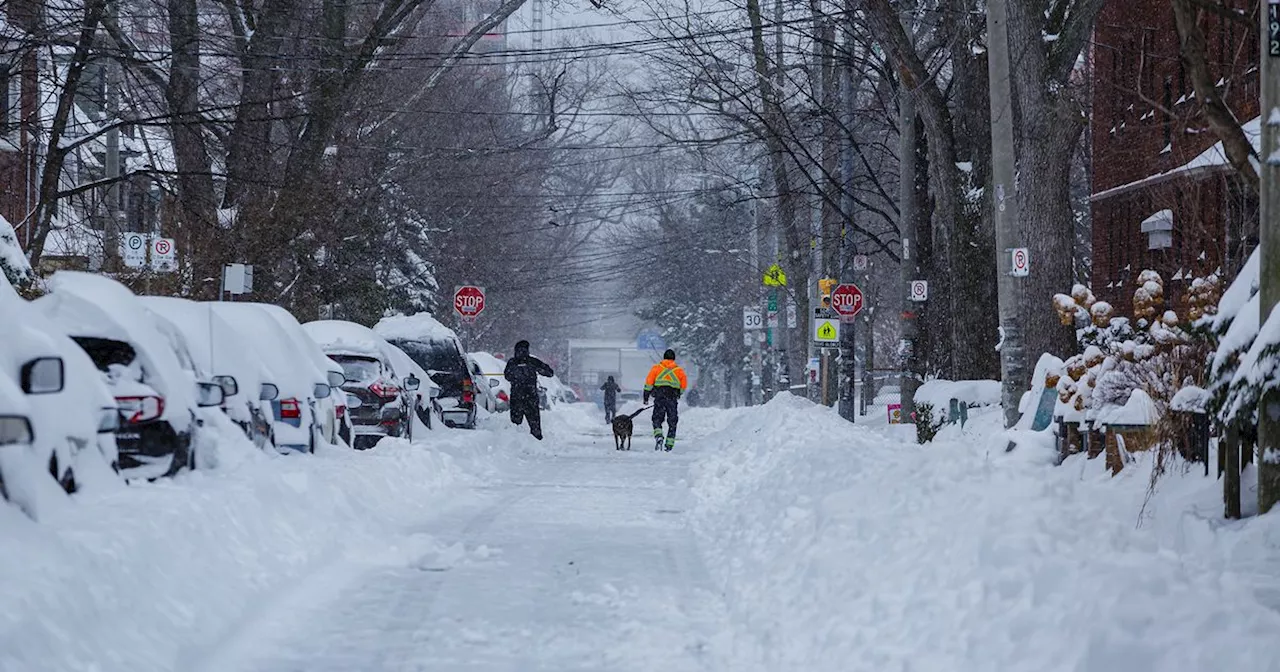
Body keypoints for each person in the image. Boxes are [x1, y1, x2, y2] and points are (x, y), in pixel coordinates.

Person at [504, 340, 554, 440]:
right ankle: (537, 441)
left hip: (516, 397)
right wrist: (537, 370)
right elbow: (550, 373)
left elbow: (507, 376)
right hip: (531, 397)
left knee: (515, 425)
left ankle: (515, 443)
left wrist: (517, 377)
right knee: (534, 424)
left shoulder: (512, 362)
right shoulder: (532, 361)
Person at [643, 349, 688, 451]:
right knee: (672, 422)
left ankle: (659, 435)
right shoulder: (679, 370)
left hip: (659, 398)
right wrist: (678, 393)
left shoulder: (656, 368)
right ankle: (669, 445)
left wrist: (646, 397)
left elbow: (649, 383)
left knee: (657, 419)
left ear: (663, 358)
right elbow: (683, 386)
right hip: (672, 399)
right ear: (674, 359)